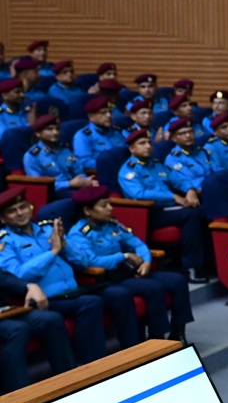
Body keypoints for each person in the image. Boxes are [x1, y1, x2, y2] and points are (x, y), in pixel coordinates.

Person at [65, 185, 194, 343]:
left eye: (109, 203)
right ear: (87, 210)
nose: (110, 208)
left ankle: (178, 333)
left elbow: (138, 244)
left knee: (178, 280)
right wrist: (123, 256)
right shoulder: (78, 234)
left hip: (128, 271)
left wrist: (146, 261)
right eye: (104, 205)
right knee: (154, 288)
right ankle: (157, 338)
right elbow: (92, 261)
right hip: (108, 277)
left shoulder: (112, 225)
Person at [0, 189, 107, 365]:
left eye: (23, 207)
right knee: (90, 303)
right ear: (3, 219)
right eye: (12, 211)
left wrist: (64, 244)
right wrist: (53, 252)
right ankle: (89, 365)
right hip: (43, 298)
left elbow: (83, 262)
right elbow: (17, 276)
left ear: (30, 207)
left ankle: (97, 363)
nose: (20, 213)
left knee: (103, 296)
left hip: (71, 292)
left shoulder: (47, 228)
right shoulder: (5, 242)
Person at [118, 129, 210, 284]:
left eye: (148, 142)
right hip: (149, 213)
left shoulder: (157, 165)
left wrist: (190, 190)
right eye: (142, 143)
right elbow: (139, 194)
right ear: (132, 149)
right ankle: (191, 267)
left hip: (169, 209)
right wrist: (172, 196)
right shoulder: (129, 171)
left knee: (204, 210)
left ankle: (209, 262)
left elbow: (179, 180)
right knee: (190, 214)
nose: (147, 146)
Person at [0, 265, 77, 394]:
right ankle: (21, 396)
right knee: (17, 330)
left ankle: (71, 381)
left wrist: (28, 286)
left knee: (51, 319)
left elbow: (3, 278)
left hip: (5, 311)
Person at [24, 114, 97, 195]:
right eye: (50, 129)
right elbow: (38, 184)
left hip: (75, 187)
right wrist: (69, 184)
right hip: (53, 192)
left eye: (57, 128)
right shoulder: (32, 156)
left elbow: (78, 170)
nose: (55, 132)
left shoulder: (65, 149)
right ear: (38, 133)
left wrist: (87, 181)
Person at [73, 95, 125, 172]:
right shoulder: (83, 136)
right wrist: (112, 164)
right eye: (103, 113)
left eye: (110, 112)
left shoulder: (117, 131)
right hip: (104, 173)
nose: (109, 115)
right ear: (91, 117)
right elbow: (84, 162)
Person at [165, 119, 210, 192]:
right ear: (174, 138)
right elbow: (190, 182)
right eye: (183, 133)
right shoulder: (173, 158)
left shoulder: (202, 151)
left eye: (190, 132)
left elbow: (215, 170)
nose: (188, 135)